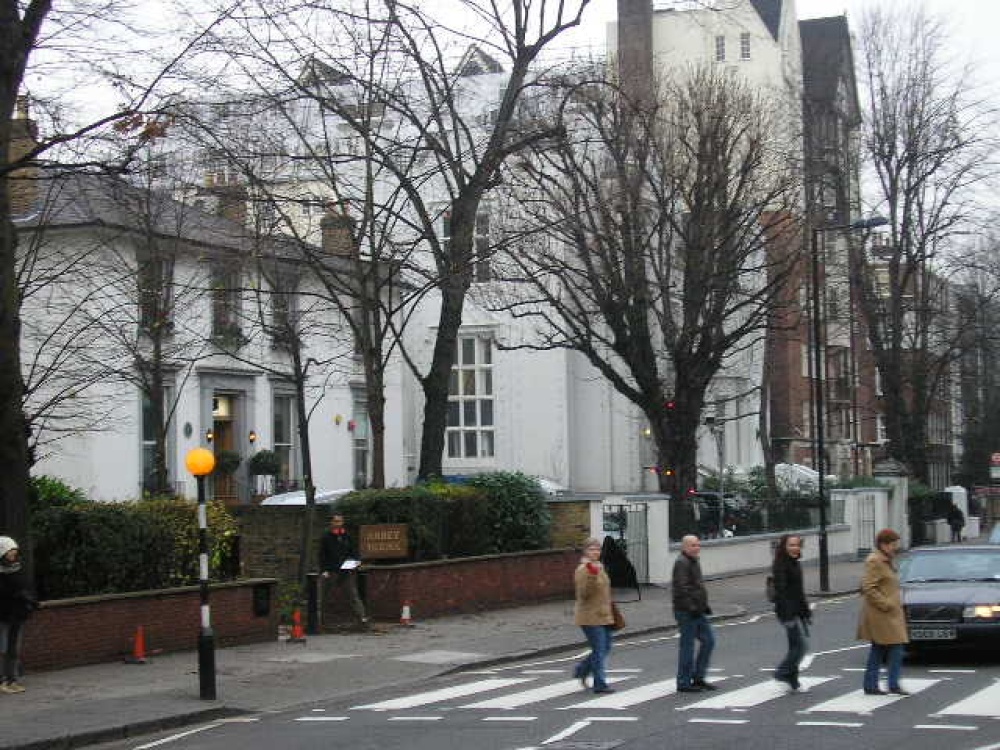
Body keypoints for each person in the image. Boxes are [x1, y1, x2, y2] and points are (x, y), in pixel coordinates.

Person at [857, 528, 909, 696]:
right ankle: (892, 684)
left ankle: (871, 685)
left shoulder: (885, 560)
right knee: (896, 648)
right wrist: (886, 604)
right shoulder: (875, 561)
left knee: (879, 648)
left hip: (888, 613)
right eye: (893, 544)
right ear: (883, 544)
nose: (895, 547)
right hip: (882, 614)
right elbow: (868, 587)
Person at [672, 534, 717, 693]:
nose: (697, 547)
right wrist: (692, 607)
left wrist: (703, 606)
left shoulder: (693, 561)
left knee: (709, 640)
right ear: (684, 547)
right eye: (693, 545)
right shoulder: (681, 563)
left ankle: (698, 677)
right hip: (686, 611)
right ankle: (683, 682)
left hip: (697, 610)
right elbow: (681, 589)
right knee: (687, 647)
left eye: (698, 545)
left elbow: (697, 586)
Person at [572, 538, 616, 694]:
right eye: (592, 549)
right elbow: (584, 594)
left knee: (606, 647)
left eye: (597, 549)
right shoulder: (583, 569)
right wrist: (592, 575)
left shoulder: (599, 567)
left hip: (603, 615)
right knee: (599, 649)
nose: (595, 552)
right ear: (585, 551)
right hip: (589, 616)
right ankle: (600, 684)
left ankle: (581, 669)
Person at [772, 534, 811, 692]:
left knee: (794, 646)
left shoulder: (795, 563)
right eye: (791, 545)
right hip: (786, 612)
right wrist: (788, 614)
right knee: (801, 647)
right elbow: (781, 591)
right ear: (784, 546)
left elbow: (799, 591)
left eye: (797, 545)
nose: (795, 548)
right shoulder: (780, 564)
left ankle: (793, 681)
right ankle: (782, 672)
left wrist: (805, 611)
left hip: (795, 611)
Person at [319, 513, 369, 630]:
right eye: (336, 521)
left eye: (340, 521)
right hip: (331, 571)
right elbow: (322, 555)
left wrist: (356, 562)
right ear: (331, 523)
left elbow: (354, 552)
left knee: (353, 595)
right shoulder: (326, 537)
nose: (338, 524)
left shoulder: (347, 536)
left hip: (346, 571)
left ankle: (362, 618)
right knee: (325, 597)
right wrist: (324, 570)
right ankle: (322, 621)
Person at [0, 537, 36, 694]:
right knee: (3, 648)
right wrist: (17, 594)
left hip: (17, 616)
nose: (13, 557)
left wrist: (29, 601)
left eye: (15, 553)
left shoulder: (18, 569)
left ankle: (12, 679)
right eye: (10, 554)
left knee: (14, 649)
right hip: (3, 616)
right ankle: (2, 680)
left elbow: (26, 587)